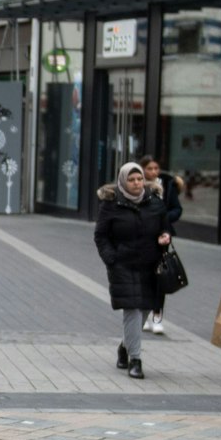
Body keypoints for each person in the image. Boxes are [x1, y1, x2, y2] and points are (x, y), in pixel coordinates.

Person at [94, 162, 170, 380]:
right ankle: (135, 360)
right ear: (123, 181)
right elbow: (101, 236)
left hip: (150, 265)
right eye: (132, 179)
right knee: (132, 310)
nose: (137, 183)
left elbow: (166, 227)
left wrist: (165, 237)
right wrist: (111, 259)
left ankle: (124, 347)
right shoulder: (111, 204)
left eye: (139, 179)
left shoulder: (155, 202)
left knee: (145, 307)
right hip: (123, 265)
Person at [140, 156, 183, 335]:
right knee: (144, 277)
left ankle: (157, 316)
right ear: (143, 169)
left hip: (163, 236)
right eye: (150, 168)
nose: (154, 172)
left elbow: (177, 209)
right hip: (143, 236)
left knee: (160, 277)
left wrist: (164, 218)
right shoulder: (137, 184)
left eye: (156, 168)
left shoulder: (168, 185)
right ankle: (145, 314)